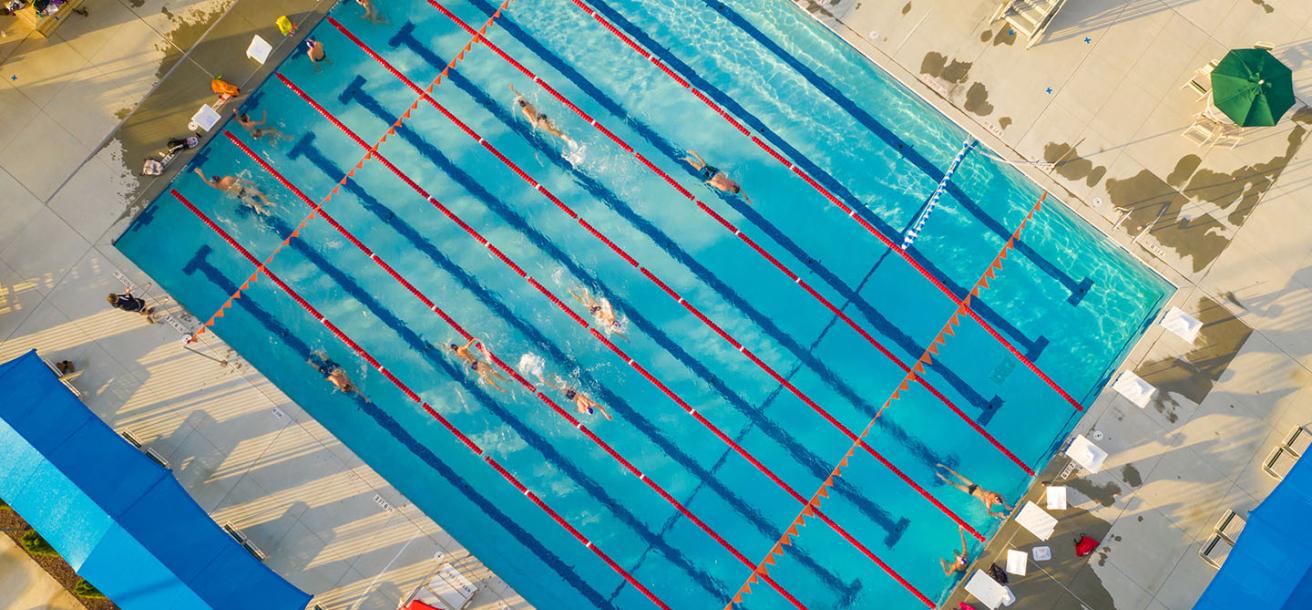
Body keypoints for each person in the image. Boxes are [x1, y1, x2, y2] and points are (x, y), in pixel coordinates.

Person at [935, 464, 1013, 518]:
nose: (997, 498)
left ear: (995, 502)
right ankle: (943, 466)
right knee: (958, 475)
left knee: (954, 484)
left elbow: (989, 513)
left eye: (997, 500)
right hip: (974, 485)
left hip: (971, 492)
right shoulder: (994, 495)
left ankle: (942, 477)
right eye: (998, 499)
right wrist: (1006, 505)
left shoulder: (988, 503)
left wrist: (998, 514)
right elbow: (1001, 496)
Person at [193, 167, 274, 215]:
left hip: (241, 196)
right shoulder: (227, 178)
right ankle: (267, 202)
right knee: (260, 194)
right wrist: (250, 182)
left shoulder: (218, 186)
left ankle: (265, 212)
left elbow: (207, 182)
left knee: (255, 204)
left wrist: (200, 173)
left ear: (215, 182)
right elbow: (240, 180)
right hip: (244, 189)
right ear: (220, 177)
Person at [684, 150, 750, 202]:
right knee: (696, 166)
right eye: (732, 191)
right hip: (710, 176)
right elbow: (715, 183)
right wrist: (708, 182)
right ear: (732, 190)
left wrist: (746, 198)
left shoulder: (733, 183)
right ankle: (686, 158)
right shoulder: (725, 188)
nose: (732, 192)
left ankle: (693, 153)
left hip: (716, 171)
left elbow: (740, 189)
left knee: (704, 164)